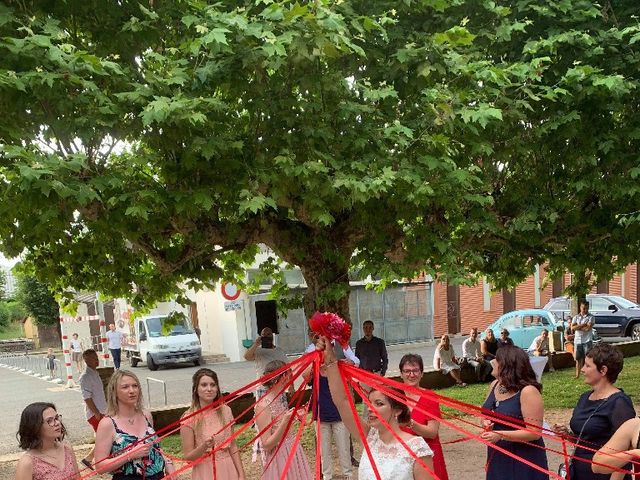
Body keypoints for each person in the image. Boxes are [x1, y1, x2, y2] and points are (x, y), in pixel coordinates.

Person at [318, 336, 434, 480]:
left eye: (379, 404)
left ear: (397, 410)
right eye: (370, 403)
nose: (371, 409)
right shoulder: (369, 437)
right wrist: (330, 358)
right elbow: (342, 402)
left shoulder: (418, 448)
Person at [552, 343, 635, 480]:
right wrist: (568, 435)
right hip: (579, 471)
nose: (582, 369)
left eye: (588, 366)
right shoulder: (585, 397)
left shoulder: (619, 403)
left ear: (603, 370)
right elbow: (587, 439)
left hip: (603, 475)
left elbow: (626, 451)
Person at [479, 345, 548, 479]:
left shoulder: (528, 391)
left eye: (497, 359)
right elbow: (484, 413)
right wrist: (485, 422)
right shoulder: (495, 385)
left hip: (523, 457)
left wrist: (500, 434)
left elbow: (534, 433)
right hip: (498, 454)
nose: (492, 362)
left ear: (506, 365)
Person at [94, 370, 174, 479]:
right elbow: (100, 467)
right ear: (114, 392)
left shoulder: (146, 415)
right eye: (125, 387)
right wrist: (129, 455)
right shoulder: (107, 424)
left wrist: (168, 463)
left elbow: (155, 447)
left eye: (135, 386)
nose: (132, 391)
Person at [180, 368, 246, 480]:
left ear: (217, 388)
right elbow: (188, 458)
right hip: (205, 471)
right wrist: (204, 446)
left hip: (228, 467)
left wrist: (241, 474)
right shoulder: (189, 418)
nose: (209, 389)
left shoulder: (226, 411)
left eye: (213, 385)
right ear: (196, 389)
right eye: (204, 385)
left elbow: (233, 445)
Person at [254, 360, 313, 480]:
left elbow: (284, 428)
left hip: (293, 450)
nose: (290, 379)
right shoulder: (263, 405)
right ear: (278, 378)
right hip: (279, 456)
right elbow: (266, 444)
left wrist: (295, 416)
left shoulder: (279, 398)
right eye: (287, 375)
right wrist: (285, 421)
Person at [399, 354, 449, 480]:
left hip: (428, 456)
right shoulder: (395, 397)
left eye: (415, 370)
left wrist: (410, 423)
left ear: (422, 373)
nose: (411, 375)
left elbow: (432, 433)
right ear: (401, 374)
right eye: (407, 371)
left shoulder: (430, 397)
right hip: (402, 456)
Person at [15, 402, 80, 480]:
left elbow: (78, 478)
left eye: (56, 418)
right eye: (49, 421)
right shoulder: (27, 462)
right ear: (35, 427)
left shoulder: (67, 448)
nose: (57, 423)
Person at [78, 349, 108, 470]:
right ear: (86, 360)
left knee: (104, 437)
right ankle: (90, 459)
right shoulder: (85, 376)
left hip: (102, 411)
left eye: (96, 357)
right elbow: (87, 397)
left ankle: (94, 459)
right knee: (105, 437)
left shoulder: (94, 373)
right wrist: (96, 412)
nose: (96, 359)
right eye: (93, 357)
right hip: (96, 413)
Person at [244, 327, 289, 398]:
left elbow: (288, 369)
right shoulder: (258, 350)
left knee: (280, 408)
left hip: (278, 387)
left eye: (268, 334)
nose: (266, 336)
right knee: (263, 408)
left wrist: (291, 386)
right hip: (262, 388)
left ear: (272, 336)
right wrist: (255, 344)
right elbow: (247, 357)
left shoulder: (279, 351)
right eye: (263, 335)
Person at [572, 300, 595, 379]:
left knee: (588, 359)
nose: (585, 310)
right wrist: (584, 324)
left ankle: (589, 374)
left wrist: (578, 326)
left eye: (586, 308)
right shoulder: (576, 317)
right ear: (580, 308)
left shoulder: (591, 317)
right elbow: (573, 328)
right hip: (577, 340)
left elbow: (587, 329)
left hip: (587, 340)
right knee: (578, 359)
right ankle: (577, 375)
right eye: (583, 308)